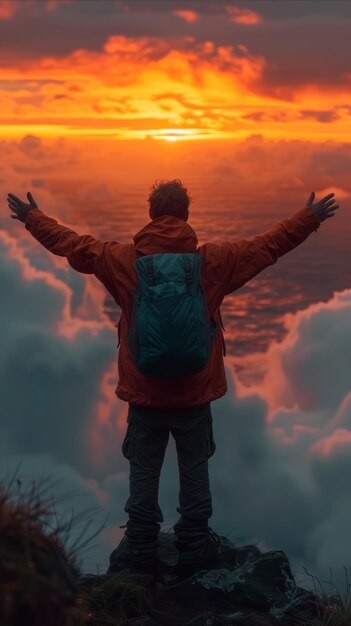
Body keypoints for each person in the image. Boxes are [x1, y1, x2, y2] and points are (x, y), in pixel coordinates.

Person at [7, 181, 339, 580]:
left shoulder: (123, 261)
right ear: (185, 215)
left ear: (151, 214)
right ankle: (194, 555)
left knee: (143, 476)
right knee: (195, 473)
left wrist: (32, 218)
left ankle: (142, 559)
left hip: (145, 395)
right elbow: (267, 246)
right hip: (194, 396)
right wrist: (309, 218)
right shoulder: (213, 263)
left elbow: (74, 245)